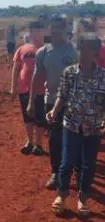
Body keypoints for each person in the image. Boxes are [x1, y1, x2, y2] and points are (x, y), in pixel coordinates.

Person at [47, 34, 104, 216]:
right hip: (71, 124)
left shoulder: (103, 76)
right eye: (80, 48)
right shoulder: (70, 72)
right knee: (66, 163)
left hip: (94, 127)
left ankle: (82, 199)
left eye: (86, 48)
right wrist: (54, 111)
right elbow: (62, 96)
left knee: (88, 165)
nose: (82, 52)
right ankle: (62, 196)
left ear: (95, 51)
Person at [28, 17, 78, 190]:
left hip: (74, 102)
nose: (56, 32)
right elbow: (36, 77)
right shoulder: (43, 52)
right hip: (51, 102)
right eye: (54, 28)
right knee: (55, 140)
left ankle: (77, 173)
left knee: (74, 139)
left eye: (60, 28)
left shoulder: (74, 50)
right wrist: (31, 102)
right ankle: (56, 173)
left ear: (66, 29)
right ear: (50, 30)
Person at [10, 21, 47, 155]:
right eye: (33, 31)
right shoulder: (22, 49)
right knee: (27, 117)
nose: (36, 34)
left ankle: (39, 144)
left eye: (39, 31)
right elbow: (15, 69)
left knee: (40, 118)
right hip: (24, 88)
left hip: (42, 89)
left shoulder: (48, 48)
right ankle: (29, 142)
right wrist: (13, 87)